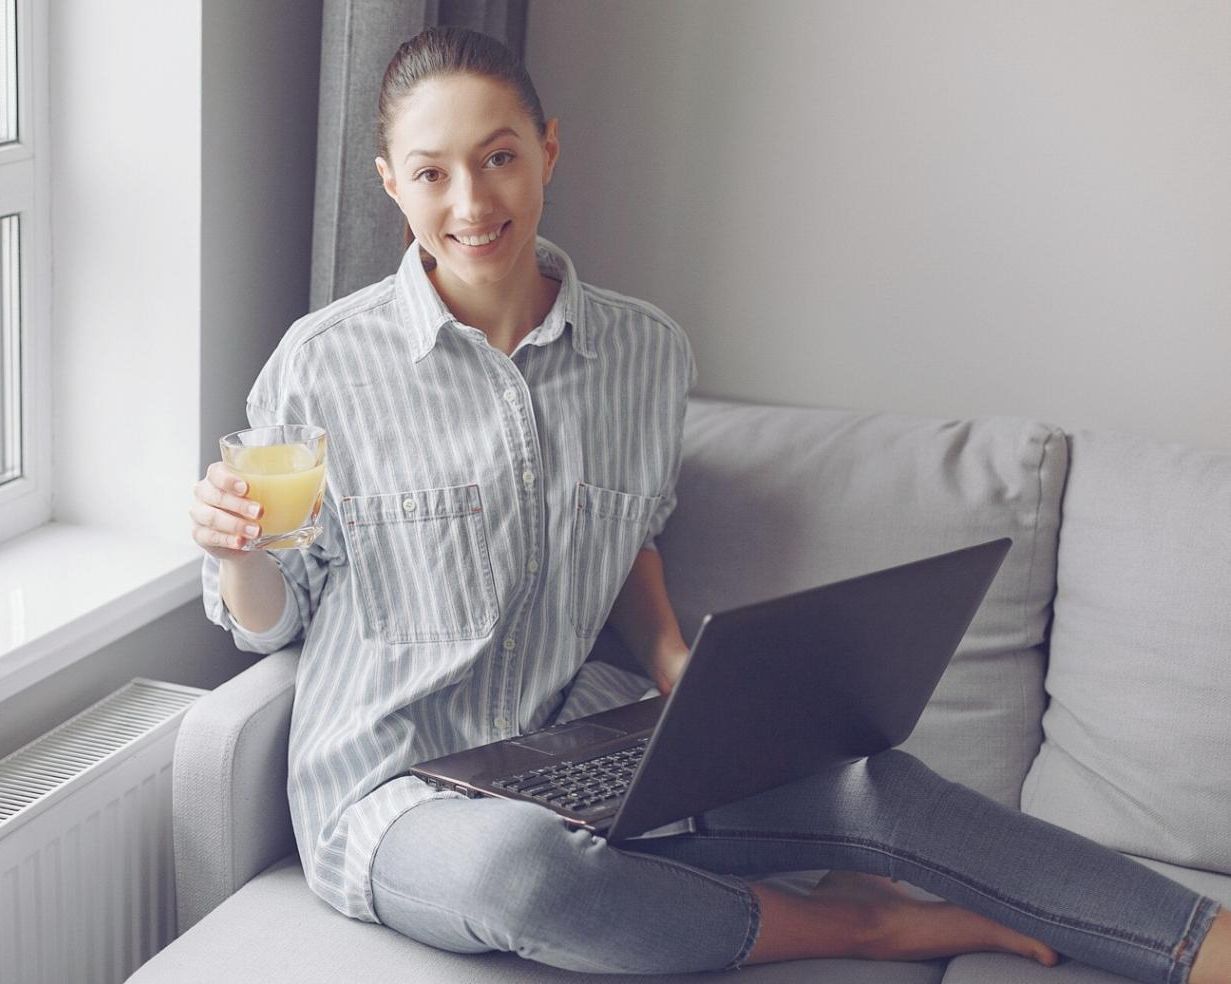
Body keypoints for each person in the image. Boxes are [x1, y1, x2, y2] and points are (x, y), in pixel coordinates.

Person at [191, 25, 1230, 982]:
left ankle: (1201, 941)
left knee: (871, 781)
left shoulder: (645, 353)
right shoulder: (323, 365)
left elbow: (627, 531)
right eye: (432, 173)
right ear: (390, 184)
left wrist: (680, 669)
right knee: (523, 874)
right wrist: (238, 549)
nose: (471, 202)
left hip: (572, 746)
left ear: (548, 149)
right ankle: (855, 925)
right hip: (393, 793)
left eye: (498, 155)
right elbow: (273, 616)